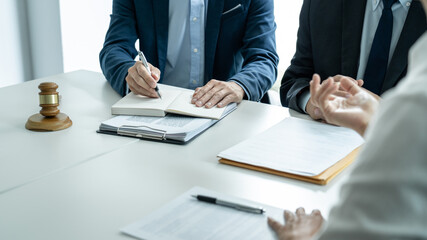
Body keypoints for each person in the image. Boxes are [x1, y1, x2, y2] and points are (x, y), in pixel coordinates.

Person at [268, 0, 427, 238]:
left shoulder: (415, 105)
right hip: (317, 170)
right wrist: (311, 103)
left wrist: (305, 237)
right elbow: (295, 79)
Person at [99, 0, 278, 109]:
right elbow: (114, 47)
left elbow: (264, 57)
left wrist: (239, 85)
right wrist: (130, 73)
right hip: (155, 107)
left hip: (223, 111)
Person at [280, 0, 426, 120]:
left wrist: (385, 111)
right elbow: (294, 80)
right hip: (328, 143)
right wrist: (312, 101)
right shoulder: (322, 4)